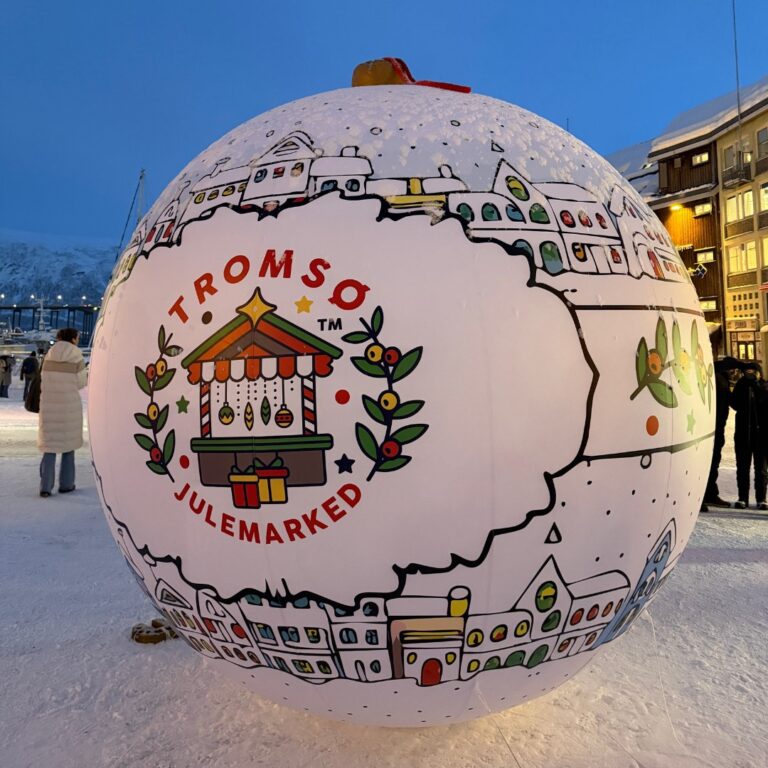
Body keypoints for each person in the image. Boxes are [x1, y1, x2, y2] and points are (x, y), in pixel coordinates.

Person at [38, 328, 87, 497]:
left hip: (49, 406)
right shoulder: (77, 356)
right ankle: (66, 484)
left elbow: (43, 379)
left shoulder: (48, 354)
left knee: (49, 447)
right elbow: (81, 383)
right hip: (69, 407)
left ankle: (45, 487)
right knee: (68, 447)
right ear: (73, 339)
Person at [701, 356, 741, 511]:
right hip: (710, 425)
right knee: (708, 461)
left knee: (714, 460)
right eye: (733, 369)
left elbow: (732, 402)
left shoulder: (721, 378)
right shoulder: (716, 378)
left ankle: (710, 493)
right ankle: (704, 496)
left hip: (718, 425)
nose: (734, 373)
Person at [730, 361, 768, 510]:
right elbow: (734, 404)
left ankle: (761, 498)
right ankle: (742, 498)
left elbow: (765, 402)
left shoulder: (764, 386)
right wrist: (744, 387)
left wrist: (757, 387)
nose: (750, 375)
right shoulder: (741, 385)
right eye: (748, 372)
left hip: (762, 436)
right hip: (742, 434)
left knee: (761, 470)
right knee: (742, 468)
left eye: (754, 372)